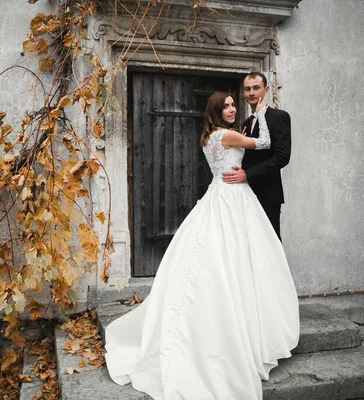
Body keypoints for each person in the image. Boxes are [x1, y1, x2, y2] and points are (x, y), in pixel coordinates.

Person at [104, 92, 299, 400]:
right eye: (227, 106)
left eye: (235, 105)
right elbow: (264, 143)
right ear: (216, 111)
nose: (233, 109)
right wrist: (260, 112)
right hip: (233, 197)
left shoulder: (209, 136)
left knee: (223, 254)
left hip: (219, 193)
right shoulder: (227, 135)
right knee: (233, 255)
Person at [222, 72, 291, 240]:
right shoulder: (246, 123)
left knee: (269, 243)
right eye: (247, 89)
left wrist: (248, 174)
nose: (251, 93)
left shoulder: (279, 117)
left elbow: (282, 156)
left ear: (266, 90)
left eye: (256, 88)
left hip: (268, 194)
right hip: (245, 194)